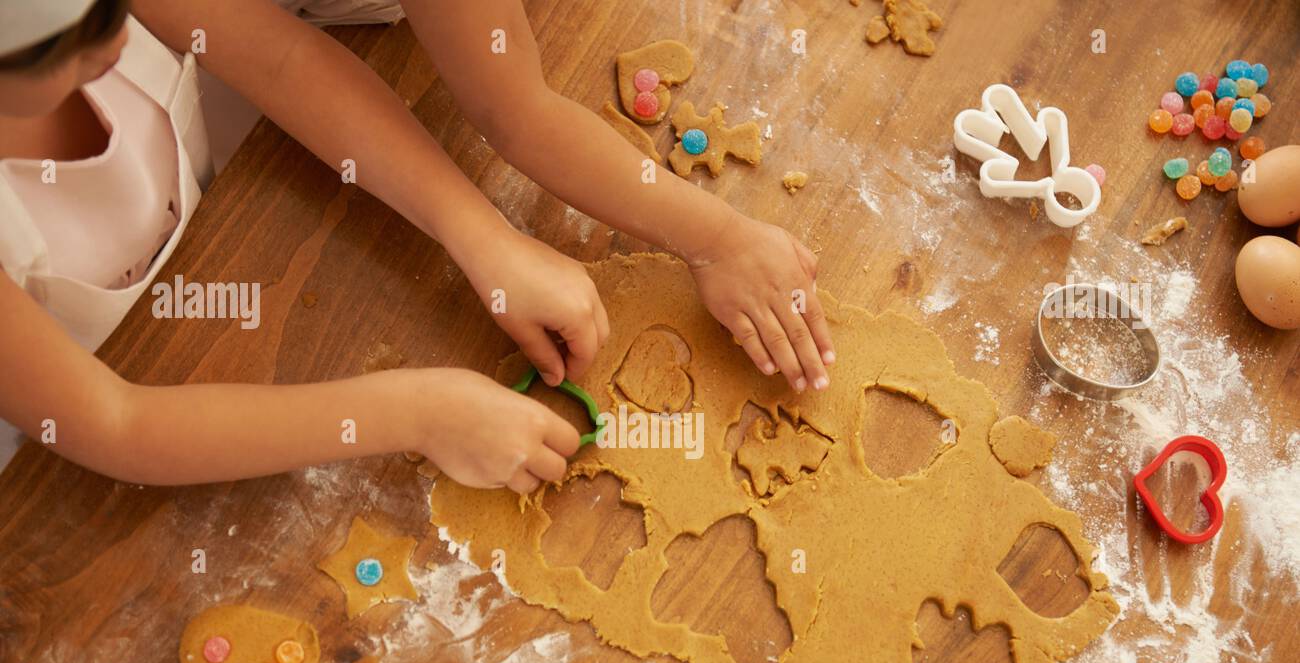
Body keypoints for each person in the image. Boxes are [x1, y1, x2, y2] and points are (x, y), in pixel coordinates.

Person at [0, 0, 831, 493]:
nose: (113, 43)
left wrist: (483, 235)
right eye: (57, 50)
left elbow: (283, 60)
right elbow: (113, 421)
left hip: (213, 246)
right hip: (74, 418)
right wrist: (415, 410)